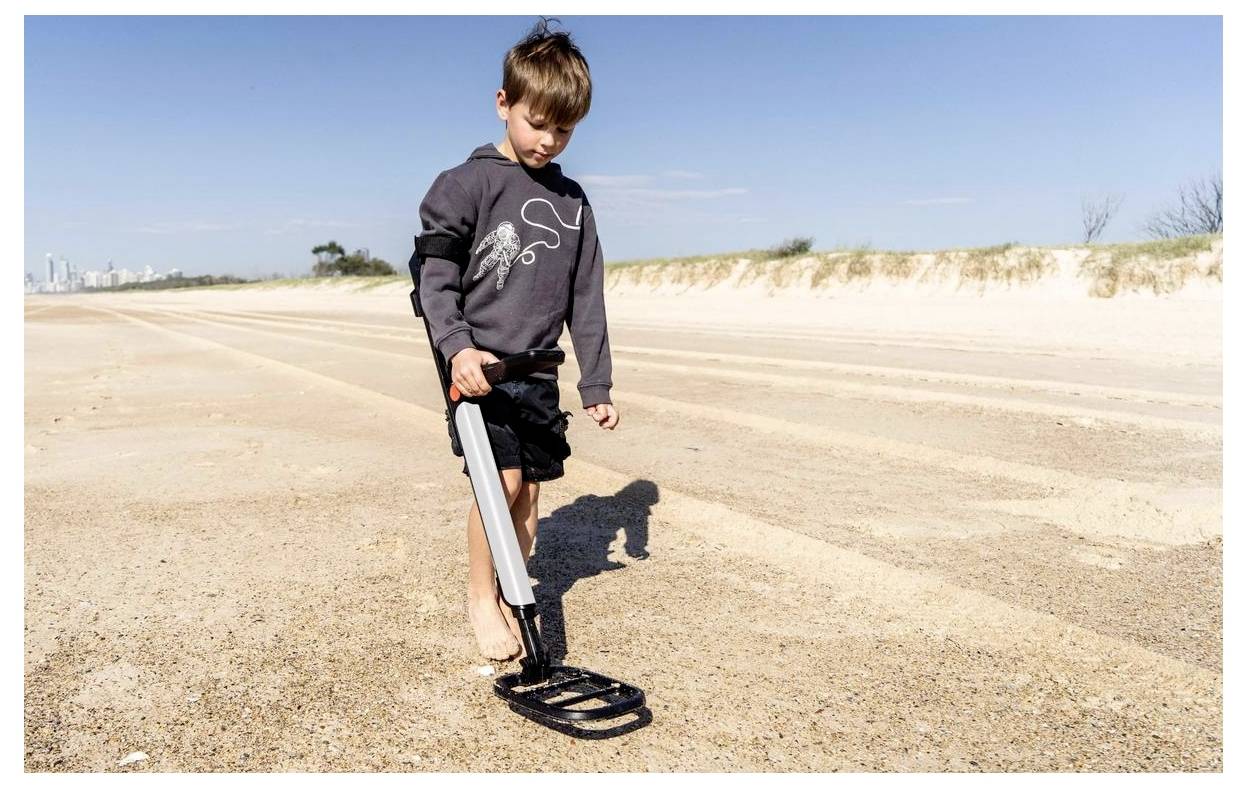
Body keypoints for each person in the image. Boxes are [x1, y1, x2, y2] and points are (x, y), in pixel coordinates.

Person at [416, 18, 618, 661]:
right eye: (538, 123)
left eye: (564, 129)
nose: (549, 141)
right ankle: (482, 599)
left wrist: (595, 383)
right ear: (504, 103)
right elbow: (434, 279)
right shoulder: (464, 184)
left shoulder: (572, 200)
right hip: (478, 369)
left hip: (536, 371)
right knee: (499, 484)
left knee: (528, 493)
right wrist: (457, 347)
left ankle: (509, 589)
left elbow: (586, 296)